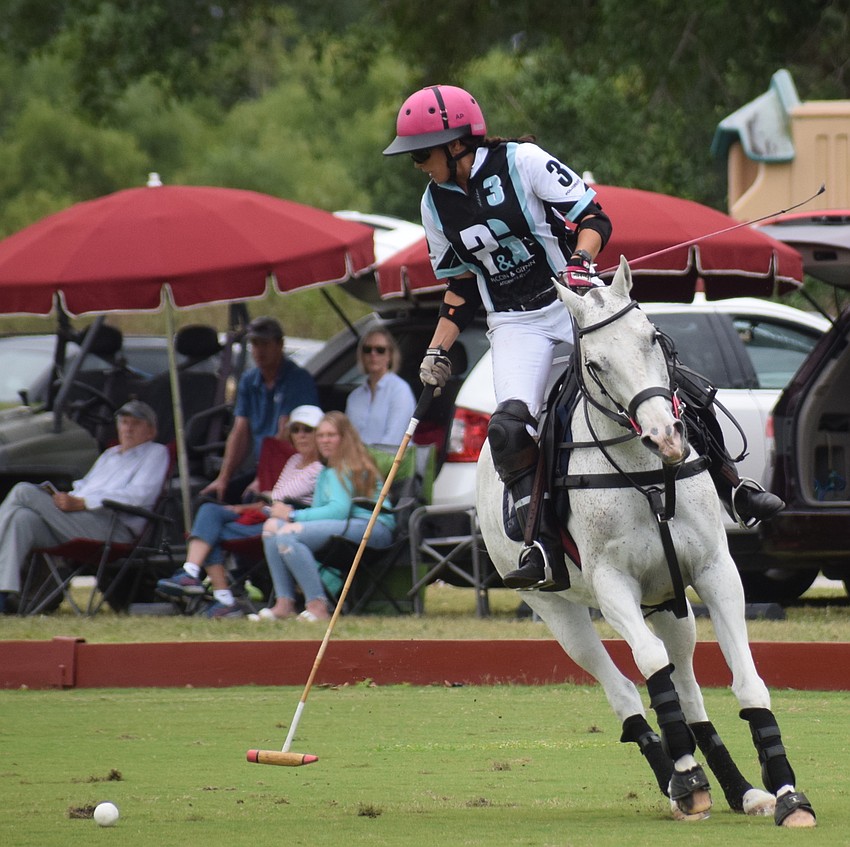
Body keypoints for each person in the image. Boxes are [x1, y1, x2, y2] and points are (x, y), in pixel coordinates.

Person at [383, 84, 783, 592]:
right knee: (508, 431)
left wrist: (580, 263)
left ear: (457, 142)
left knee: (663, 381)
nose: (418, 164)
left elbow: (593, 217)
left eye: (422, 153)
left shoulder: (522, 162)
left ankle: (732, 486)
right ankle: (541, 544)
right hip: (515, 323)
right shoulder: (433, 206)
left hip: (575, 301)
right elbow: (461, 284)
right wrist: (437, 349)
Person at [156, 405, 325, 619]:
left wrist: (259, 501)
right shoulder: (293, 461)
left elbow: (280, 499)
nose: (301, 435)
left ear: (319, 434)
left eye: (307, 430)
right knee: (209, 510)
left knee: (210, 532)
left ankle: (222, 599)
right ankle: (191, 571)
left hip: (285, 522)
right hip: (267, 512)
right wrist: (242, 508)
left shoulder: (320, 467)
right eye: (296, 429)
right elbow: (274, 499)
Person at [0, 400, 170, 613]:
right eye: (124, 422)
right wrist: (66, 498)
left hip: (112, 527)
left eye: (136, 423)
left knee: (23, 490)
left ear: (151, 431)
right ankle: (3, 597)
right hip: (81, 522)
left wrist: (84, 503)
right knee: (21, 518)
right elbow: (84, 487)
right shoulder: (110, 455)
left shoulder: (155, 453)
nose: (128, 428)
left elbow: (140, 495)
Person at [258, 411, 395, 621]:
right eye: (321, 435)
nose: (324, 440)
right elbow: (326, 514)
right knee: (272, 528)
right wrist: (285, 518)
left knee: (287, 533)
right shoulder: (326, 469)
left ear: (344, 438)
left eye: (331, 435)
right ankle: (284, 602)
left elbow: (339, 511)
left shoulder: (345, 466)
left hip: (371, 528)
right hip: (347, 526)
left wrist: (293, 515)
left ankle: (317, 606)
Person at [202, 316, 318, 503]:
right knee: (211, 496)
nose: (258, 350)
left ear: (280, 345)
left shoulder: (297, 379)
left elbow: (285, 436)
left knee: (251, 498)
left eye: (265, 343)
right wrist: (223, 477)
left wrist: (261, 479)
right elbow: (239, 432)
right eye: (254, 344)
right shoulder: (249, 380)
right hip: (260, 466)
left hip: (291, 468)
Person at [344, 327, 416, 452]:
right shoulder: (354, 397)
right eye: (367, 349)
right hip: (357, 465)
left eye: (380, 350)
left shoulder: (400, 390)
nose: (373, 354)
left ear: (390, 355)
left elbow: (393, 441)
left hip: (390, 465)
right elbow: (348, 438)